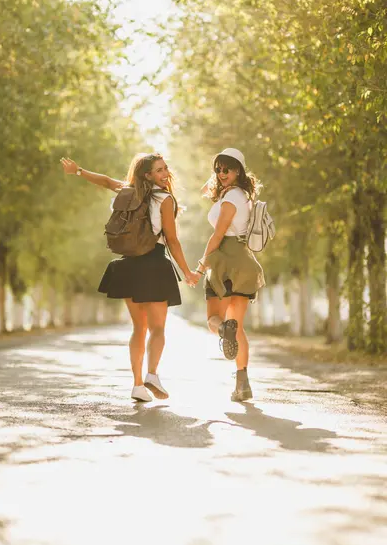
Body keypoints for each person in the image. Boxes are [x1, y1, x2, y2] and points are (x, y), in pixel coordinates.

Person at [60, 153, 199, 402]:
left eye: (165, 168)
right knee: (157, 329)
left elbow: (104, 181)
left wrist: (78, 171)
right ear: (148, 175)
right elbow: (172, 240)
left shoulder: (128, 190)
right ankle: (152, 375)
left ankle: (137, 385)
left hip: (129, 265)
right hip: (154, 265)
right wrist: (187, 272)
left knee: (138, 328)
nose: (165, 173)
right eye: (159, 170)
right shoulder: (165, 199)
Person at [194, 148, 265, 402]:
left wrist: (201, 267)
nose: (222, 173)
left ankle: (224, 328)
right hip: (245, 263)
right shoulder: (243, 195)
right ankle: (243, 385)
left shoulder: (230, 200)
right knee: (239, 329)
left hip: (225, 261)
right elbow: (206, 189)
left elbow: (218, 235)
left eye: (228, 169)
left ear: (239, 171)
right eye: (219, 169)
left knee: (215, 319)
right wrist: (217, 180)